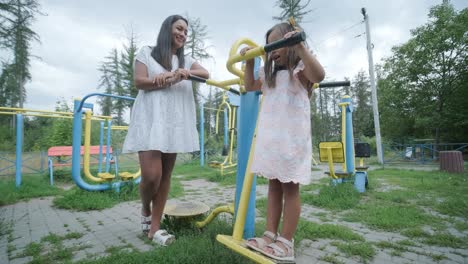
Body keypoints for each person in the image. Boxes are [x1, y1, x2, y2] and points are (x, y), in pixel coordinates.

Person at [240, 21, 325, 262]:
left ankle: (286, 241)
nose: (272, 50)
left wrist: (300, 46)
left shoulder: (301, 70)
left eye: (277, 44)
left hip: (292, 142)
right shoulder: (269, 75)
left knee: (290, 189)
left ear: (289, 43)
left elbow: (319, 75)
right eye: (268, 47)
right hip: (271, 141)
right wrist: (249, 61)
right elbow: (248, 86)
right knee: (273, 187)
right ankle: (270, 234)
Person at [122, 14, 209, 246]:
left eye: (186, 32)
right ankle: (145, 209)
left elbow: (206, 74)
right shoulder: (146, 52)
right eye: (179, 28)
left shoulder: (186, 60)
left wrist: (185, 73)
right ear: (167, 28)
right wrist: (164, 79)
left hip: (174, 123)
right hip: (150, 121)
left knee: (166, 175)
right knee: (152, 176)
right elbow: (139, 82)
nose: (183, 34)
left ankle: (155, 228)